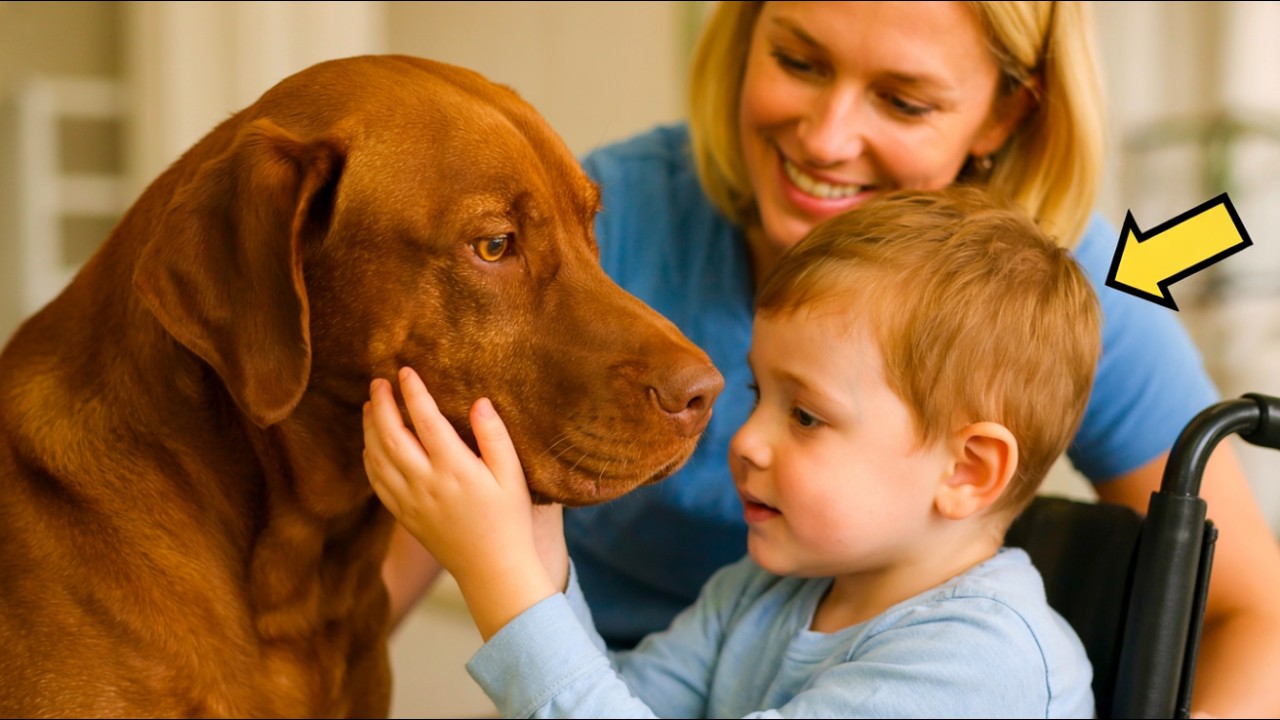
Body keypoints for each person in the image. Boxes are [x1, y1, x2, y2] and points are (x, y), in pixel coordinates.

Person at [382, 3, 1280, 715]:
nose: (824, 136)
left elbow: (1255, 612)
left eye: (903, 99)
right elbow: (400, 567)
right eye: (799, 62)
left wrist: (508, 585)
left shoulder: (1077, 290)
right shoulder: (601, 225)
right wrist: (526, 551)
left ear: (1011, 108)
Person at [364, 187, 1101, 718]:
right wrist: (536, 547)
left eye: (806, 415)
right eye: (758, 394)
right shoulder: (763, 593)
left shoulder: (978, 666)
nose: (745, 440)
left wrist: (498, 581)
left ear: (967, 471)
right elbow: (617, 701)